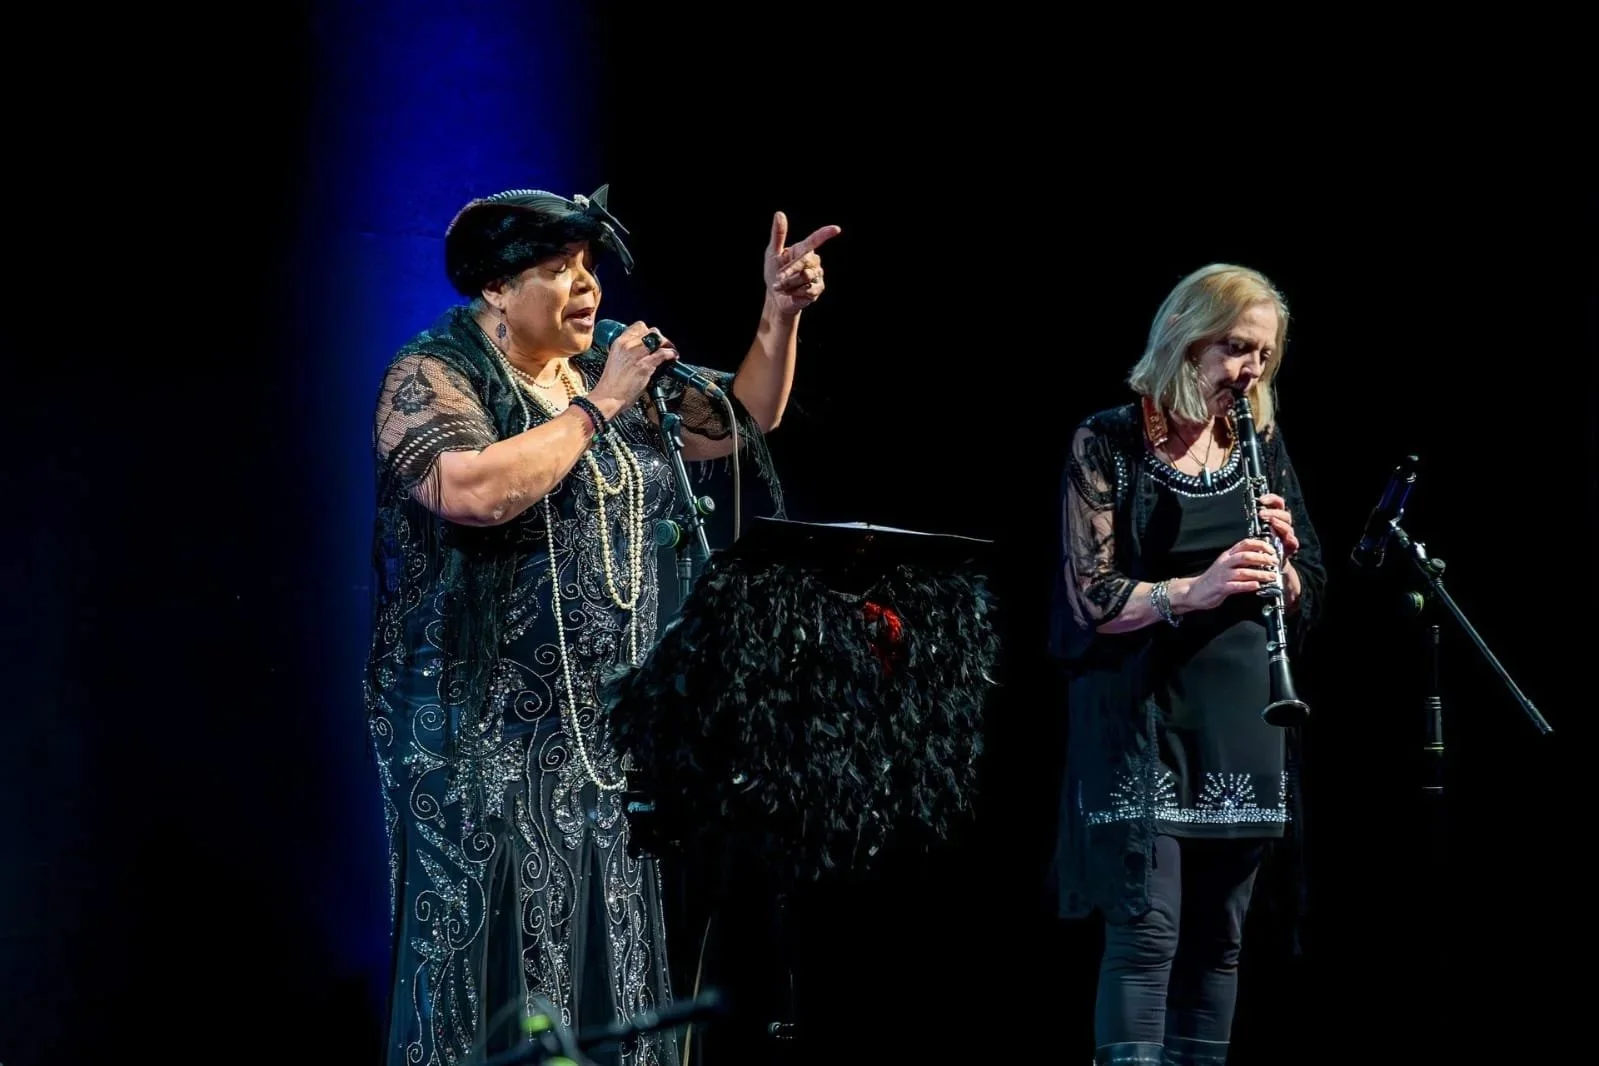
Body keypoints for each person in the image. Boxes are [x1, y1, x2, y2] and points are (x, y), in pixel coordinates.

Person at [363, 183, 840, 1066]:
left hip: (603, 726)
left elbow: (737, 424)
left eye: (587, 268)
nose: (585, 288)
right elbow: (467, 490)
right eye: (557, 270)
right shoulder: (435, 370)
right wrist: (599, 408)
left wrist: (777, 316)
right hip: (476, 724)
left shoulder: (606, 369)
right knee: (490, 944)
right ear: (497, 289)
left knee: (608, 944)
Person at [1049, 263, 1326, 1066]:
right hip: (1143, 717)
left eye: (1262, 356)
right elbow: (1089, 597)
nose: (1248, 371)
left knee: (1220, 941)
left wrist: (1290, 570)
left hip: (1246, 716)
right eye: (1234, 347)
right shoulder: (1106, 440)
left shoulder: (1259, 444)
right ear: (1183, 337)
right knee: (1147, 933)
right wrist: (1194, 590)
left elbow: (1310, 588)